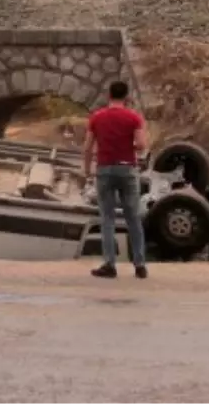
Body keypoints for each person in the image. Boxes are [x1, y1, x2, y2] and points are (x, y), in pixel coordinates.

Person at [82, 81, 149, 280]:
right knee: (133, 218)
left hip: (104, 169)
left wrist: (87, 170)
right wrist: (128, 145)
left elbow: (87, 147)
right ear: (127, 96)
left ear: (108, 95)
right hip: (127, 169)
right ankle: (139, 265)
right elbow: (142, 145)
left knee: (107, 218)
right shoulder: (134, 118)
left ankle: (110, 264)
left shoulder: (97, 117)